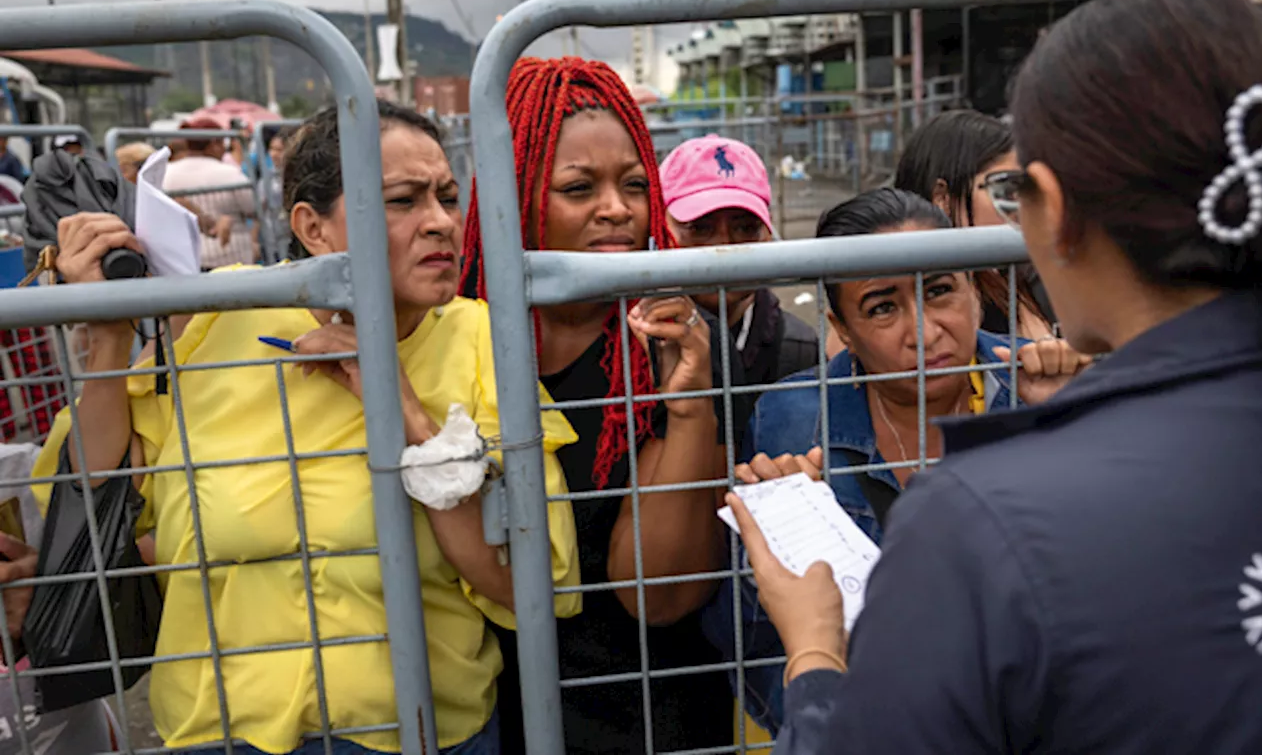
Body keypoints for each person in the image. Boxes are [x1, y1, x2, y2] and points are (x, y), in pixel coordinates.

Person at [734, 0, 1262, 754]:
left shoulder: (977, 523)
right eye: (884, 306)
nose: (925, 330)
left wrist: (816, 652)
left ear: (1050, 211)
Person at [21, 100, 583, 755]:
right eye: (403, 201)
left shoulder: (482, 340)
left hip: (422, 733)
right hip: (217, 732)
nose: (440, 223)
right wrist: (109, 333)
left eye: (447, 197)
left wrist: (404, 411)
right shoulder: (220, 316)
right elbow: (94, 493)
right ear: (312, 228)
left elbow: (532, 583)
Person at [702, 188, 1087, 736]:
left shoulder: (1038, 387)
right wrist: (785, 533)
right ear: (843, 330)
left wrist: (1069, 428)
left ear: (976, 292)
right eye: (883, 307)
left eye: (940, 291)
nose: (925, 332)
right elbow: (748, 639)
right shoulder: (793, 417)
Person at [460, 57, 742, 755]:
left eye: (635, 185)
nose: (617, 208)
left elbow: (663, 595)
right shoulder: (458, 349)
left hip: (661, 722)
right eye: (580, 188)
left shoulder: (676, 348)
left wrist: (689, 410)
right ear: (519, 196)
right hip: (499, 722)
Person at [661, 134, 819, 394]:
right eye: (700, 228)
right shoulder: (631, 353)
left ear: (768, 235)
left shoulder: (800, 351)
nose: (724, 245)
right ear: (661, 230)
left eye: (745, 227)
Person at [893, 110, 1055, 338]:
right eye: (1003, 189)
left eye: (1022, 189)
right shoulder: (893, 288)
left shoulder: (1017, 278)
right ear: (942, 199)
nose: (1020, 207)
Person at [162, 118, 257, 269]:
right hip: (232, 259)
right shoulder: (230, 173)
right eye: (221, 144)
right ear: (214, 144)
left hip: (186, 260)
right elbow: (253, 208)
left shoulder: (167, 173)